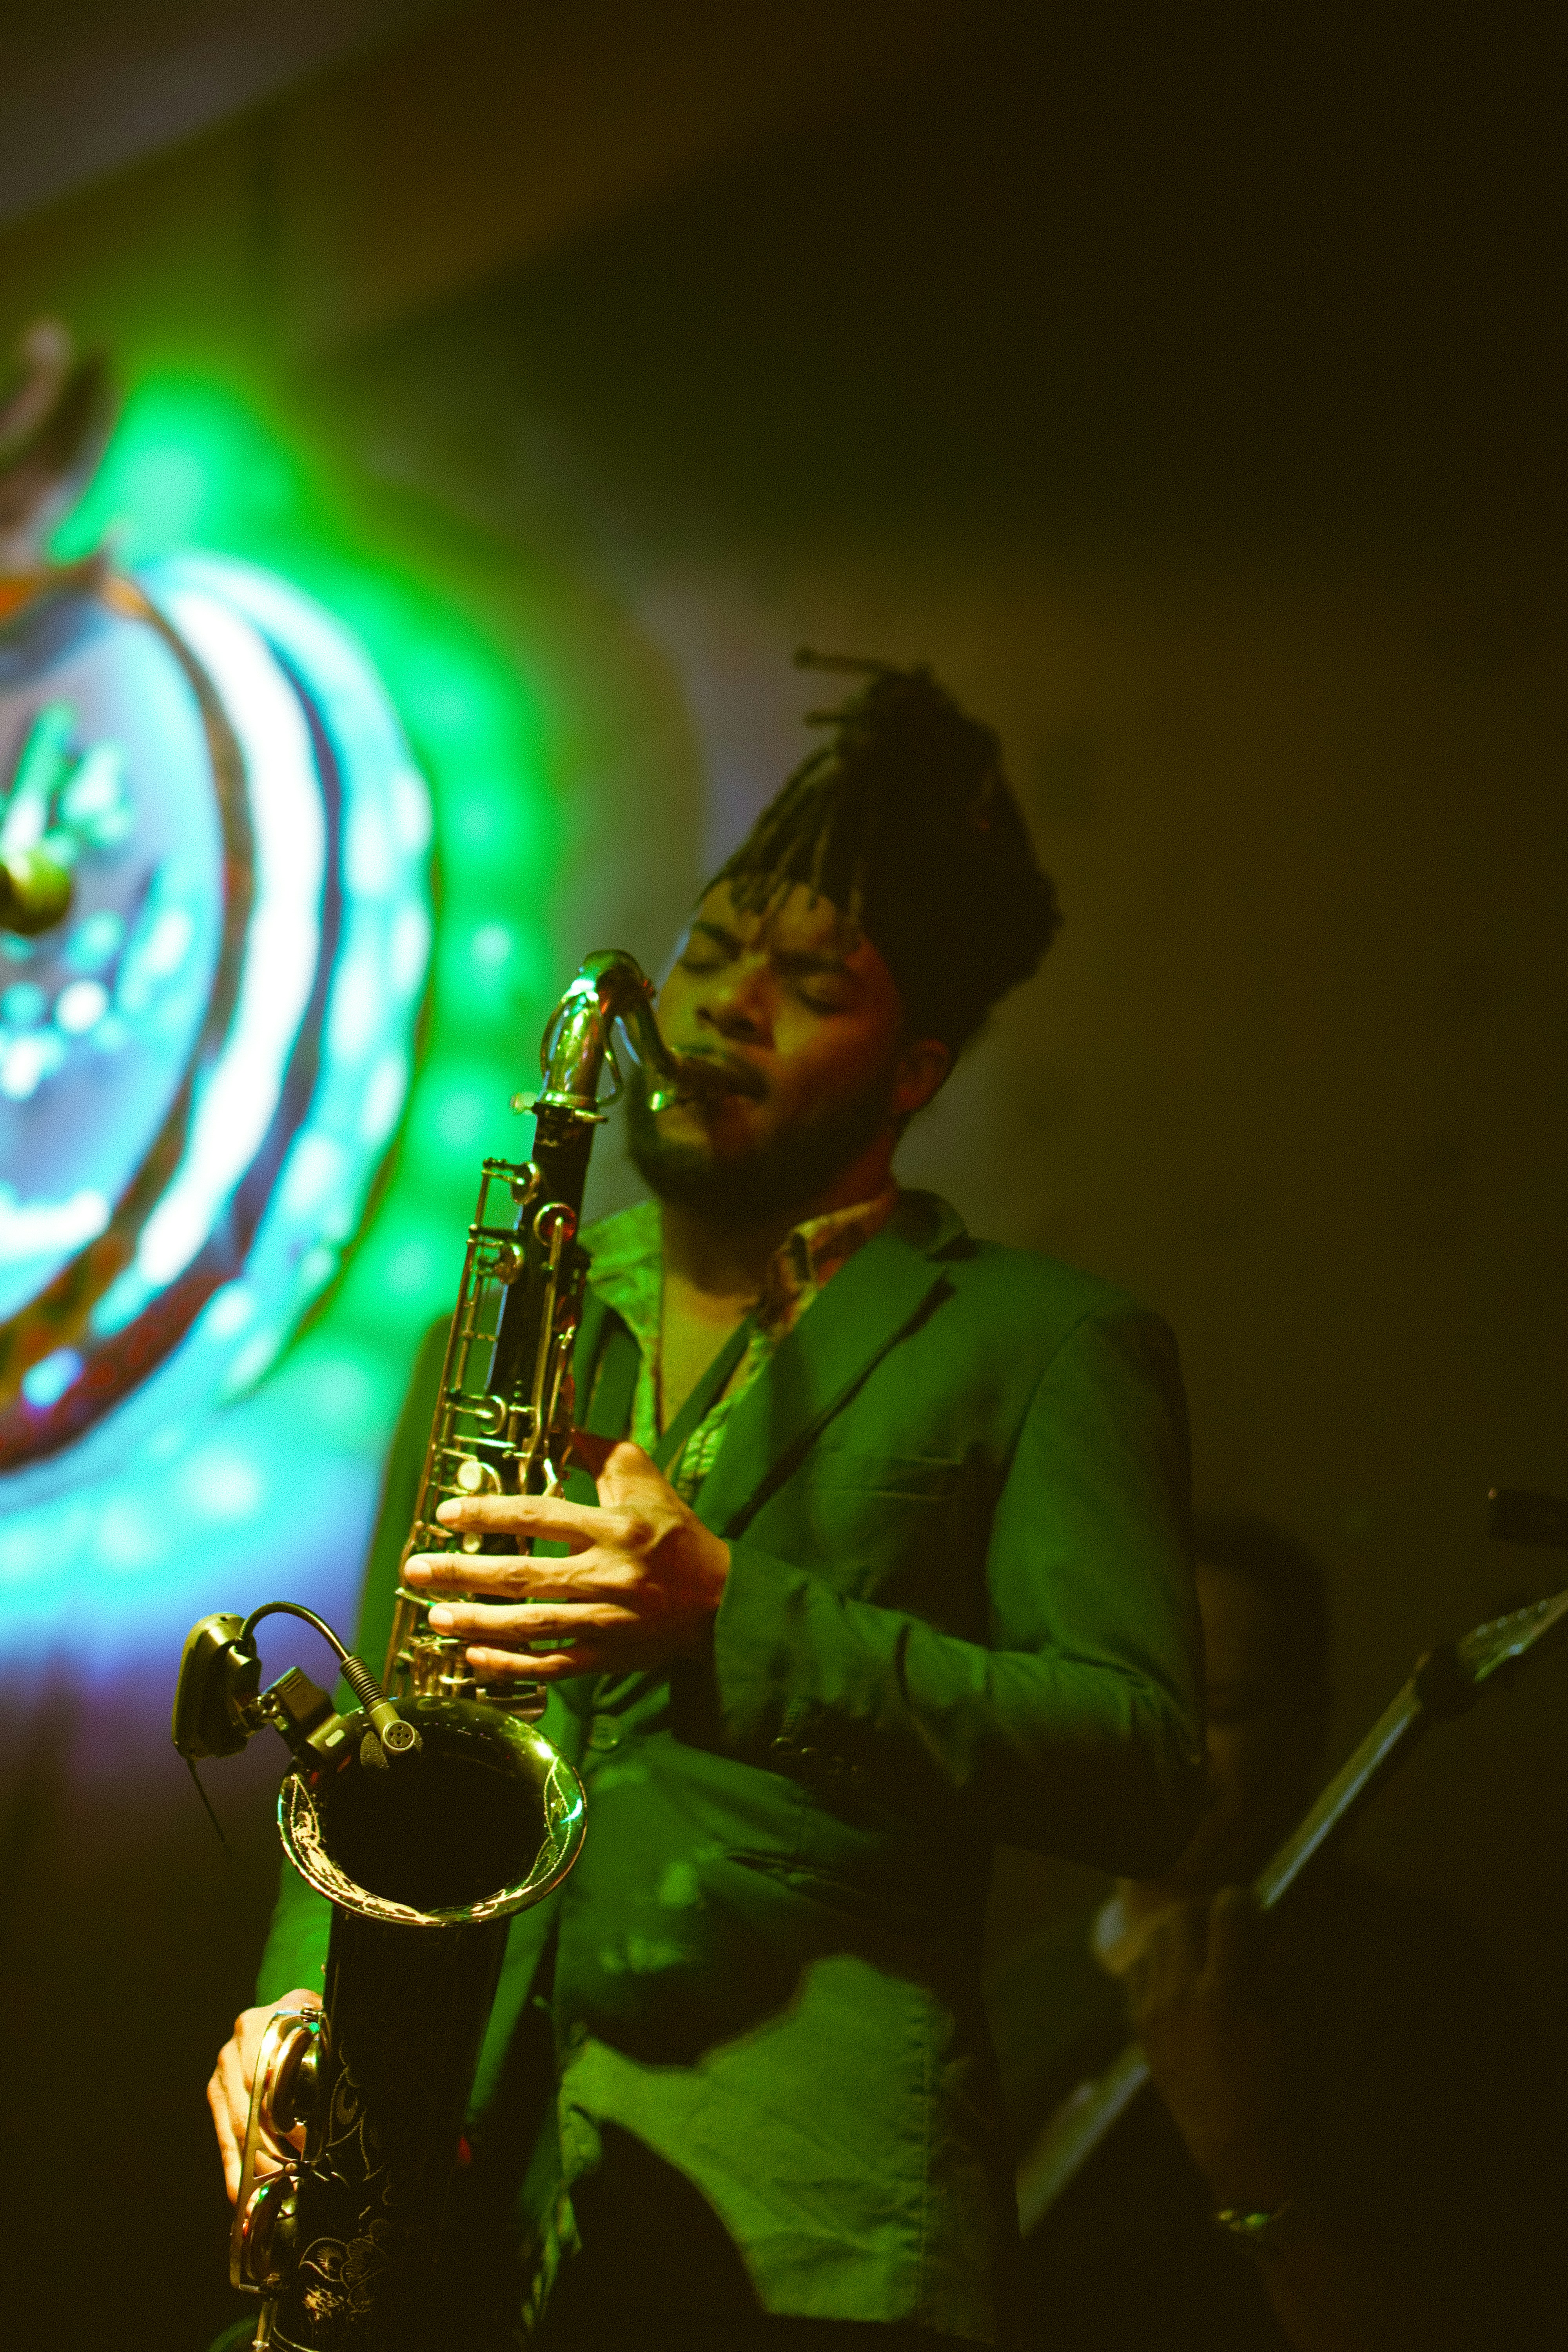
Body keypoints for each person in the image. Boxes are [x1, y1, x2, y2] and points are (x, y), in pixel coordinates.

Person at [208, 656, 1205, 2350]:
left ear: (915, 1071)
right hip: (452, 2173)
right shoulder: (508, 1324)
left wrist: (738, 1618)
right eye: (715, 949)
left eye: (813, 982)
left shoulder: (1052, 1346)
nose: (728, 1003)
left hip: (809, 2231)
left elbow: (1145, 1766)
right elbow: (391, 1733)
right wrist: (297, 1996)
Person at [991, 1515, 1564, 2351]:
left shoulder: (1419, 1992)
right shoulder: (1018, 1987)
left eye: (1220, 1709)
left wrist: (1242, 2148)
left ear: (1307, 1727)